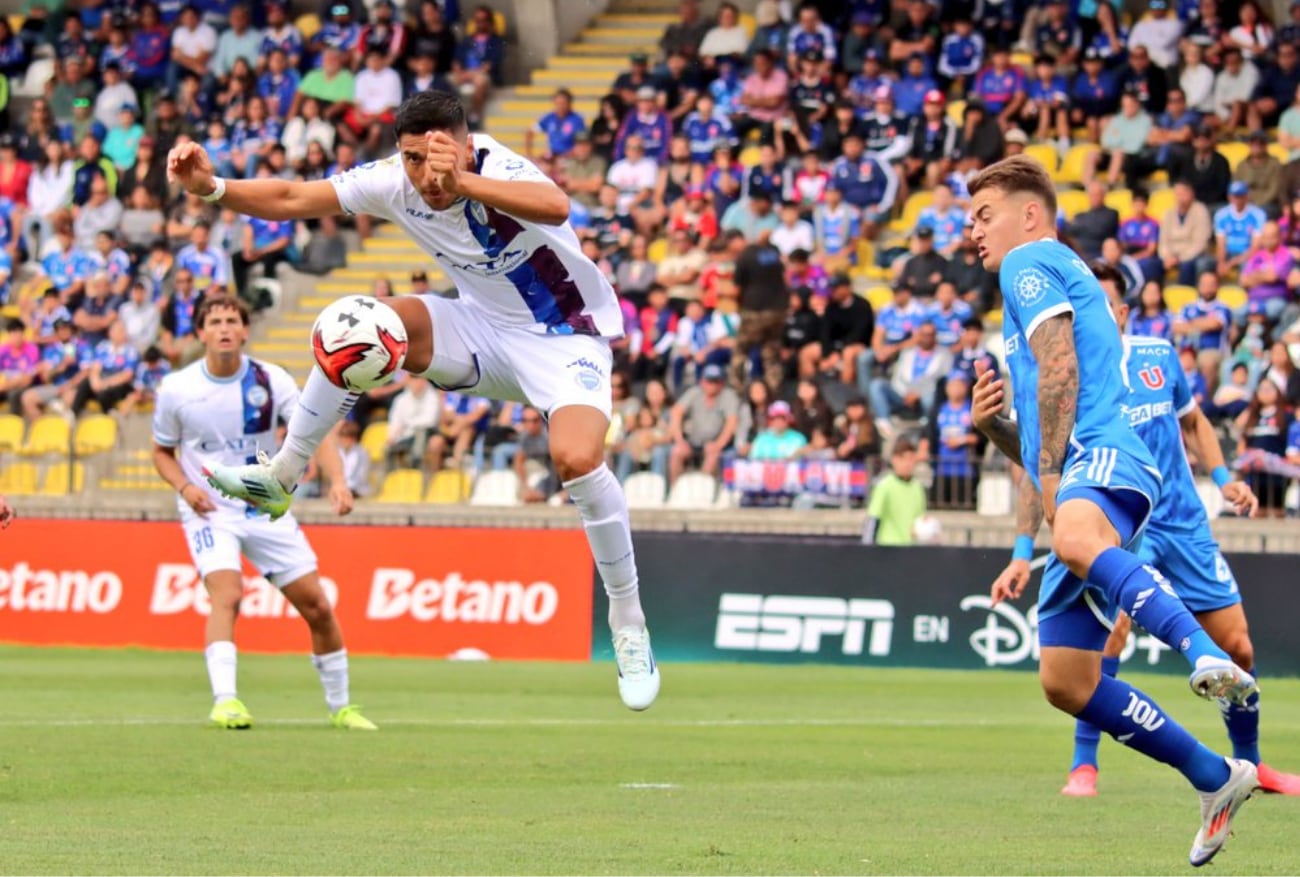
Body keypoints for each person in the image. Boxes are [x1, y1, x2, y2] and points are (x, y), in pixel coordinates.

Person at [169, 90, 659, 711]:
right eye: (411, 158)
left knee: (577, 461)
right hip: (479, 329)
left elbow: (557, 205)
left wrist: (467, 180)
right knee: (353, 326)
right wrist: (211, 187)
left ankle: (628, 621)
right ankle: (284, 474)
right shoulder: (392, 181)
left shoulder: (499, 167)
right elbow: (296, 197)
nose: (425, 176)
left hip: (563, 338)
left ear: (463, 143)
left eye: (436, 157)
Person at [966, 155, 1258, 867]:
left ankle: (1205, 654)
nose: (972, 230)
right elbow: (1037, 433)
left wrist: (1062, 482)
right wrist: (995, 434)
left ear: (1029, 213)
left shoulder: (1028, 261)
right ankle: (1216, 775)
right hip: (1077, 467)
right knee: (1066, 679)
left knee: (1078, 537)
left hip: (1104, 452)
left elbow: (1061, 369)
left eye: (983, 214)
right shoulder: (1024, 294)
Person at [1043, 261, 1300, 797]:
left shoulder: (1159, 357)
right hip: (1119, 521)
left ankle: (1248, 768)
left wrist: (1225, 478)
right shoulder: (1072, 377)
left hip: (1182, 523)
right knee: (1107, 638)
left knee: (1239, 649)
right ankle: (1083, 764)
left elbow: (1193, 421)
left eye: (1101, 303)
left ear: (1122, 311)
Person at [151, 296, 374, 731]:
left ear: (245, 329)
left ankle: (342, 708)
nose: (224, 328)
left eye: (232, 320)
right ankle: (226, 701)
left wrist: (338, 481)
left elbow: (315, 431)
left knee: (318, 607)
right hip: (210, 509)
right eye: (214, 321)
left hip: (261, 508)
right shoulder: (176, 389)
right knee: (227, 596)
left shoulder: (271, 380)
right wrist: (186, 487)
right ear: (201, 333)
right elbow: (161, 452)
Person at [861, 437, 925, 546]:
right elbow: (873, 519)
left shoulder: (918, 487)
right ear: (895, 460)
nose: (908, 464)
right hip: (888, 549)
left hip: (910, 550)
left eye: (911, 459)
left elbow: (919, 521)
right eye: (904, 459)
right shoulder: (885, 486)